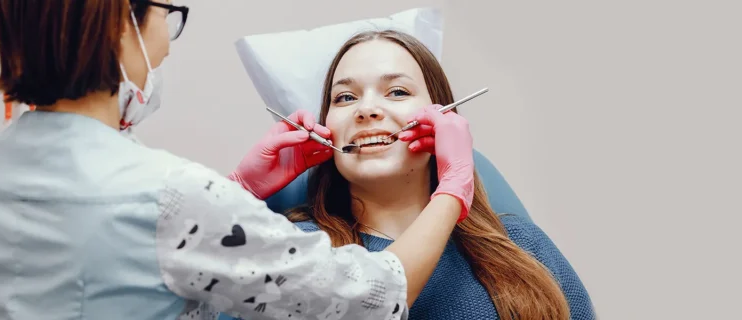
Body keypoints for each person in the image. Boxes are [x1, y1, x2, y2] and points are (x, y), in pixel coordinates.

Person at [0, 1, 477, 319]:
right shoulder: (169, 194)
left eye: (398, 91)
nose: (166, 44)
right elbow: (370, 300)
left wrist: (234, 192)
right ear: (121, 25)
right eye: (166, 15)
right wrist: (453, 187)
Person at [223, 30, 595, 320]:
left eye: (398, 91)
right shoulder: (292, 249)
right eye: (345, 97)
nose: (367, 109)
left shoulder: (523, 245)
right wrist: (234, 193)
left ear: (445, 116)